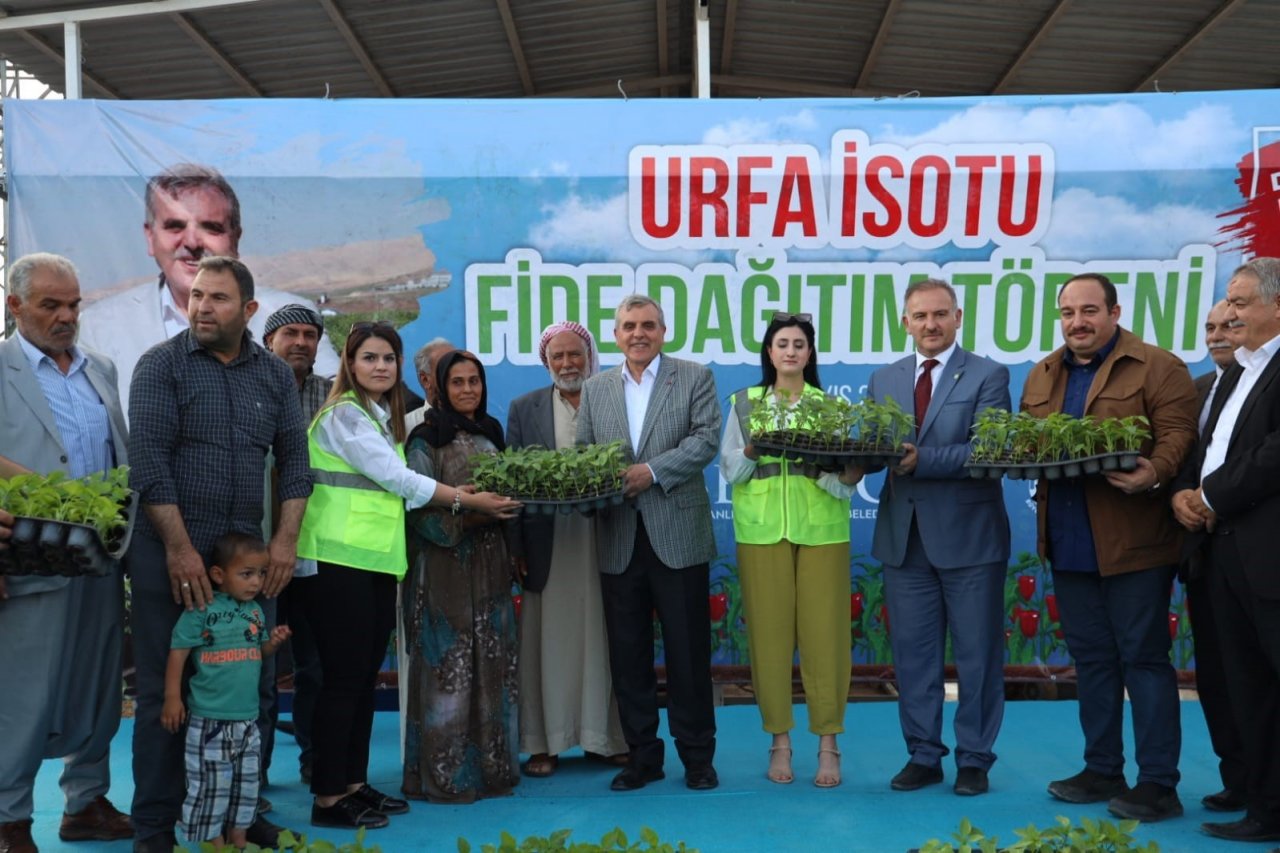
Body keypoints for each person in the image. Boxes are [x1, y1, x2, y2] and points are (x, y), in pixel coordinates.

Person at [297, 326, 519, 828]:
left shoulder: (378, 418)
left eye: (388, 358)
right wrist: (465, 499)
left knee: (360, 681)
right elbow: (398, 480)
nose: (380, 367)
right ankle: (328, 797)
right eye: (369, 358)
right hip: (336, 562)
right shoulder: (343, 417)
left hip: (374, 563)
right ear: (349, 364)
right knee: (342, 682)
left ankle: (353, 785)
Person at [127, 256, 312, 853]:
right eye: (196, 295)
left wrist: (284, 543)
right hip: (171, 559)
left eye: (218, 299)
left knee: (252, 689)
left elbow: (295, 464)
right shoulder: (161, 367)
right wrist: (179, 551)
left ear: (249, 310)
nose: (202, 307)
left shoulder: (275, 377)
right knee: (166, 691)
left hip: (249, 567)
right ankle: (156, 827)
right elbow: (149, 464)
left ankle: (243, 812)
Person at [1021, 272, 1198, 823]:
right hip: (1069, 541)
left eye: (1090, 310)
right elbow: (1030, 439)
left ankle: (1158, 784)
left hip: (1134, 542)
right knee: (1092, 661)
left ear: (1115, 312)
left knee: (1143, 660)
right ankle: (1102, 769)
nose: (1079, 321)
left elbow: (1177, 435)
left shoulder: (1157, 365)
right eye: (1069, 312)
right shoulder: (1043, 373)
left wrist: (1154, 472)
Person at [0, 253, 133, 853]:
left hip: (98, 559)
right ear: (15, 306)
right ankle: (10, 818)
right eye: (51, 305)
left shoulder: (99, 368)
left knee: (98, 684)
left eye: (73, 304)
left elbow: (117, 460)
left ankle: (87, 802)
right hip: (23, 559)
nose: (66, 316)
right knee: (22, 691)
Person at [859, 279, 1011, 797]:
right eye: (920, 316)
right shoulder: (884, 378)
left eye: (940, 315)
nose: (930, 325)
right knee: (914, 657)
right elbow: (874, 445)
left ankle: (974, 760)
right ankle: (923, 755)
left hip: (970, 539)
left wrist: (922, 459)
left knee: (977, 656)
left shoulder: (989, 374)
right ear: (905, 322)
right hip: (905, 539)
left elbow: (987, 453)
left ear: (958, 316)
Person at [577, 293, 722, 792]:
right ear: (616, 335)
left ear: (664, 331)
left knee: (688, 654)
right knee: (628, 654)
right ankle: (642, 756)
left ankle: (698, 757)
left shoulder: (694, 376)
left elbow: (705, 441)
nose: (639, 333)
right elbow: (583, 453)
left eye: (648, 325)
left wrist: (651, 472)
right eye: (629, 326)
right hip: (618, 536)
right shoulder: (595, 389)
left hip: (677, 536)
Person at [78, 163, 338, 417]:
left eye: (211, 227)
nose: (192, 242)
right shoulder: (99, 327)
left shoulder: (291, 314)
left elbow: (338, 408)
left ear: (235, 238)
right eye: (175, 226)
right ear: (150, 237)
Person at [720, 311, 858, 787]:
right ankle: (779, 741)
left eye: (799, 344)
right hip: (760, 531)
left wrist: (850, 476)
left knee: (826, 639)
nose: (791, 351)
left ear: (810, 353)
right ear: (769, 352)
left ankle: (828, 746)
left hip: (823, 531)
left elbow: (842, 488)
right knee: (770, 639)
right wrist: (755, 449)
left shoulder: (831, 408)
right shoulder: (743, 403)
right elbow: (731, 472)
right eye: (782, 343)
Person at [1172, 258, 1280, 844]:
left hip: (1267, 555)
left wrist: (1210, 495)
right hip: (1221, 551)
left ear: (1278, 306)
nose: (1229, 313)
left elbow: (1271, 456)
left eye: (1240, 302)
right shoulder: (1238, 371)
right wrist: (1186, 497)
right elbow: (1214, 446)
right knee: (1247, 688)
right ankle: (1263, 805)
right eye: (1228, 302)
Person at [508, 322, 627, 779]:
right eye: (556, 356)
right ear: (546, 362)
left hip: (604, 539)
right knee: (547, 642)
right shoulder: (525, 408)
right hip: (547, 544)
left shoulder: (610, 399)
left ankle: (607, 739)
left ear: (589, 357)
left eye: (574, 354)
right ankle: (544, 743)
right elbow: (514, 486)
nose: (566, 364)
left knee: (605, 637)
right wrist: (516, 545)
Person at [402, 349, 522, 801]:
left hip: (490, 565)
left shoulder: (491, 433)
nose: (468, 390)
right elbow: (416, 507)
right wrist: (470, 513)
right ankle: (445, 777)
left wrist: (506, 513)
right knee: (448, 670)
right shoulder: (424, 439)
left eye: (475, 381)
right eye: (458, 382)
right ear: (439, 388)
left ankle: (491, 771)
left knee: (491, 666)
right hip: (445, 568)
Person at [162, 533, 292, 851]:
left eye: (261, 574)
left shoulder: (255, 612)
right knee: (211, 788)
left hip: (247, 721)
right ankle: (214, 844)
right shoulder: (202, 609)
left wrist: (272, 644)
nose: (256, 582)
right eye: (246, 574)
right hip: (210, 722)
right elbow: (179, 650)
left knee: (245, 787)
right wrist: (172, 697)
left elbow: (257, 651)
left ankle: (239, 840)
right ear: (219, 575)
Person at [262, 304, 335, 786]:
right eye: (290, 333)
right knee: (256, 665)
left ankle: (315, 759)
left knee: (315, 663)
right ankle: (254, 771)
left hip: (313, 548)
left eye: (310, 335)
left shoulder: (332, 395)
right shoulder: (248, 385)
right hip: (248, 550)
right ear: (269, 339)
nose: (301, 342)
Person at [1179, 299, 1247, 814]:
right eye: (1210, 327)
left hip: (1253, 553)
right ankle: (1239, 780)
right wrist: (1181, 496)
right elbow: (1183, 456)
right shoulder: (1199, 390)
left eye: (1231, 323)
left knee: (1255, 677)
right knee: (1217, 677)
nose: (1218, 335)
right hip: (1203, 555)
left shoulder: (1265, 388)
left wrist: (1212, 498)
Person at [404, 337, 453, 432]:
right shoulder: (405, 427)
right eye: (446, 368)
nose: (457, 372)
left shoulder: (481, 423)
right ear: (425, 379)